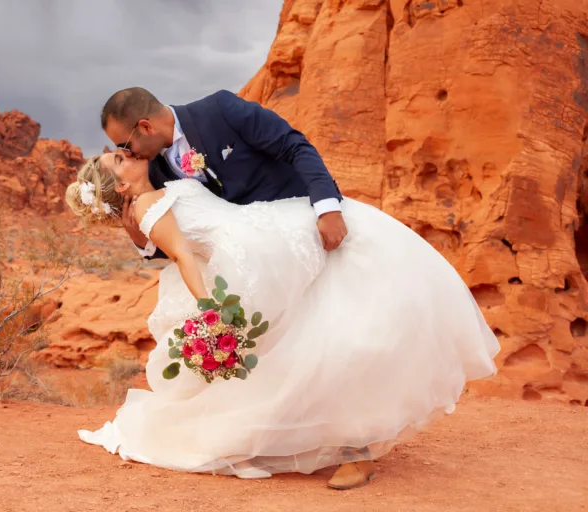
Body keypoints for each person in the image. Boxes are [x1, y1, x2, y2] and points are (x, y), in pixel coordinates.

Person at [65, 149, 500, 490]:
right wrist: (210, 311)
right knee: (303, 344)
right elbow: (180, 254)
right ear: (120, 186)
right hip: (251, 257)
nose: (126, 154)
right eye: (117, 160)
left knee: (337, 300)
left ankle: (350, 439)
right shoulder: (144, 207)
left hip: (269, 227)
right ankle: (343, 441)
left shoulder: (161, 182)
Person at [97, 87, 348, 261]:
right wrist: (141, 241)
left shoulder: (220, 109)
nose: (127, 154)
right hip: (259, 267)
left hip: (310, 228)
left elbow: (293, 145)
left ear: (145, 126)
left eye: (125, 145)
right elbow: (187, 240)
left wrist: (327, 208)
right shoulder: (155, 173)